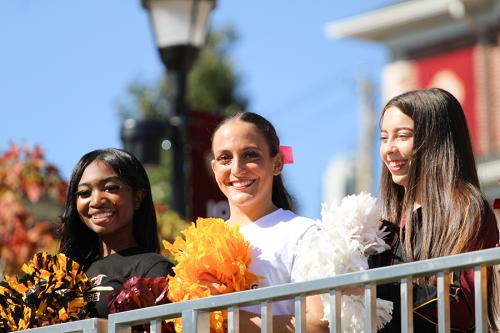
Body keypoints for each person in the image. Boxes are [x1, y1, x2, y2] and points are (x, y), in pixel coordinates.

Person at [372, 88, 499, 332]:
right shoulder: (385, 225)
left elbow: (462, 308)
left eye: (402, 136)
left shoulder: (466, 210)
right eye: (384, 137)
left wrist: (375, 289)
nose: (388, 149)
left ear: (435, 140)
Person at [210, 111, 327, 332]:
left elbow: (319, 324)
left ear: (277, 163)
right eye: (225, 158)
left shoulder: (304, 233)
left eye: (250, 155)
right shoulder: (203, 243)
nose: (236, 169)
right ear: (214, 169)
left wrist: (224, 320)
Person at [58, 148, 174, 318]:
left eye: (111, 188)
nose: (96, 201)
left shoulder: (154, 268)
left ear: (138, 198)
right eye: (84, 193)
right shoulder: (67, 273)